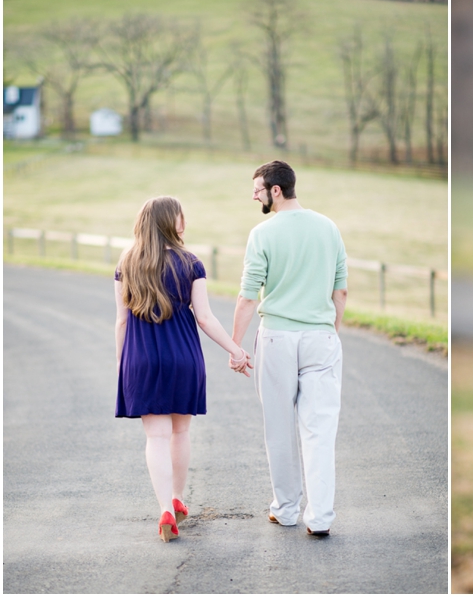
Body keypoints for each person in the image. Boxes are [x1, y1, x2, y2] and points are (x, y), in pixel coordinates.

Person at [115, 196, 251, 543]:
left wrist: (123, 364)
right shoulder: (191, 263)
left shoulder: (127, 262)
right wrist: (236, 350)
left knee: (156, 437)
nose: (183, 222)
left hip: (142, 359)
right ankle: (177, 498)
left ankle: (164, 508)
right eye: (179, 216)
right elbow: (204, 317)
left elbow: (120, 321)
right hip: (183, 357)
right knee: (180, 433)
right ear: (167, 222)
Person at [229, 160, 348, 537]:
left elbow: (248, 297)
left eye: (258, 189)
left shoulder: (262, 234)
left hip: (277, 337)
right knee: (320, 431)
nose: (254, 195)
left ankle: (286, 510)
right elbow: (340, 289)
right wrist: (332, 332)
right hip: (321, 338)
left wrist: (235, 346)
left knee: (279, 428)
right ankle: (321, 518)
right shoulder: (329, 228)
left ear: (275, 191)